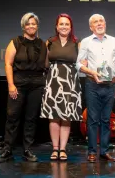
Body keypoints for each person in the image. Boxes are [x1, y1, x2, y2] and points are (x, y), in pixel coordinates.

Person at [0, 12, 47, 163]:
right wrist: (11, 85)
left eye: (33, 23)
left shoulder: (42, 44)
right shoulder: (15, 42)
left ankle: (27, 150)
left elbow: (47, 65)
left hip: (37, 84)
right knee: (13, 117)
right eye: (28, 24)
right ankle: (7, 150)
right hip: (19, 83)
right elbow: (8, 64)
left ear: (37, 26)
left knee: (31, 118)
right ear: (23, 26)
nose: (31, 26)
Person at [76, 14, 115, 163]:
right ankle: (91, 151)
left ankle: (104, 151)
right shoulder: (86, 42)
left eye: (101, 21)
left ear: (105, 23)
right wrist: (92, 72)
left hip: (110, 85)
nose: (99, 23)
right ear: (91, 27)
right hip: (93, 84)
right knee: (92, 120)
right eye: (95, 22)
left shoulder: (114, 41)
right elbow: (79, 65)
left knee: (106, 119)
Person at [40, 13, 82, 161]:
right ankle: (55, 149)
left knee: (66, 116)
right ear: (57, 27)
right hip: (53, 81)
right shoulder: (49, 42)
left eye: (67, 24)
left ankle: (63, 149)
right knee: (53, 116)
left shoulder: (77, 43)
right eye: (61, 24)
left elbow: (82, 63)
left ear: (71, 28)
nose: (64, 27)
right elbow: (44, 63)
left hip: (70, 81)